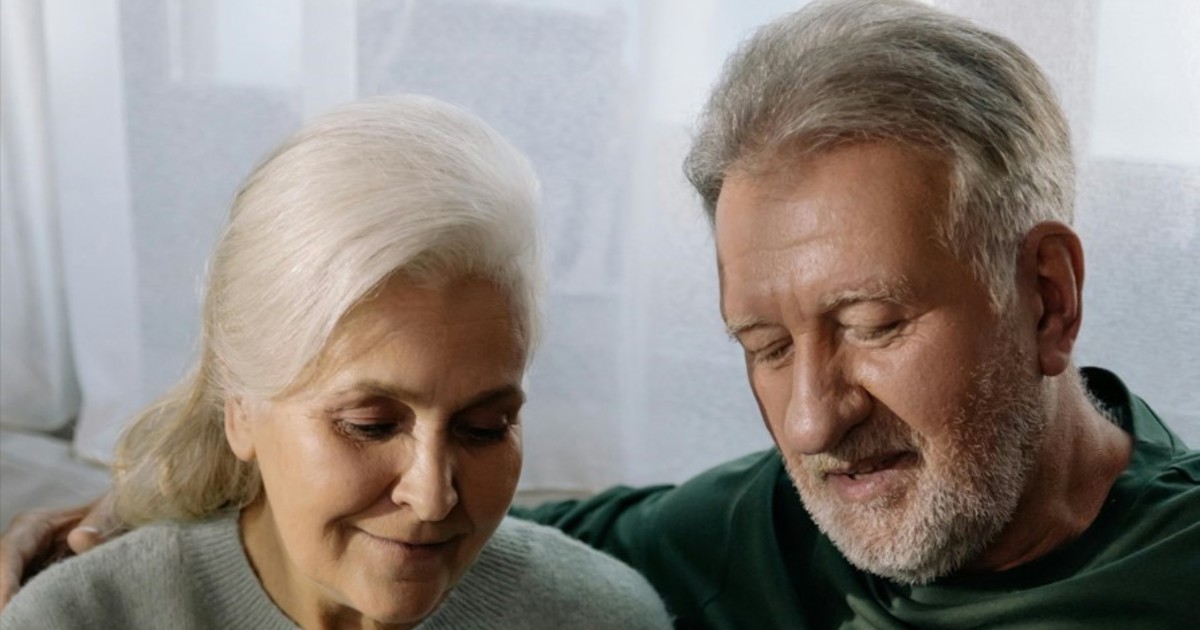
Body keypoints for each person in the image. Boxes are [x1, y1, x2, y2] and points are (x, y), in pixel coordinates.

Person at [3, 1, 1199, 627]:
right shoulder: (756, 530)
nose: (812, 420)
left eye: (875, 323)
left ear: (1047, 299)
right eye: (765, 346)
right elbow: (462, 530)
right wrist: (143, 516)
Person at [0, 95, 672, 629]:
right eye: (370, 425)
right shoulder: (80, 618)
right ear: (240, 408)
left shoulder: (603, 618)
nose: (432, 496)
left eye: (485, 428)